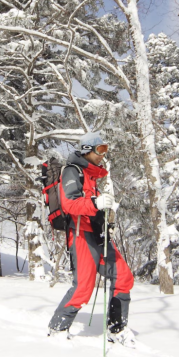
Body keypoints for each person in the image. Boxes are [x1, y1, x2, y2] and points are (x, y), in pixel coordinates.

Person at [48, 132, 135, 345]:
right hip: (80, 234)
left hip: (98, 234)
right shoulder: (72, 171)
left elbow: (92, 206)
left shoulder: (91, 176)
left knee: (123, 277)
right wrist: (95, 204)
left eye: (105, 149)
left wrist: (106, 218)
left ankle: (117, 329)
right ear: (87, 149)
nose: (103, 154)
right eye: (100, 149)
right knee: (83, 287)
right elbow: (70, 204)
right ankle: (57, 329)